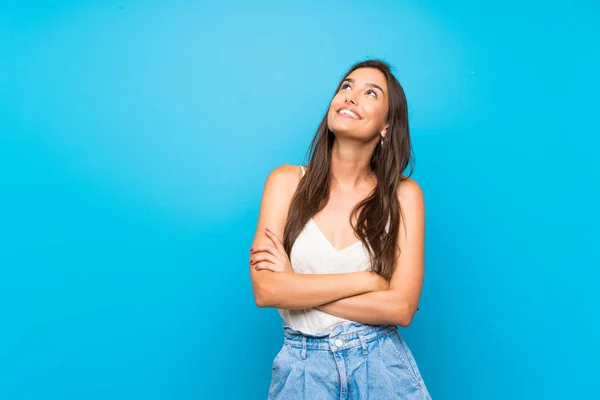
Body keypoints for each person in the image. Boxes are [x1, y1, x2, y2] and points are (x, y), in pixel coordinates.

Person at [249, 59, 432, 399]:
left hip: (380, 365)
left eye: (370, 93)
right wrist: (368, 283)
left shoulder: (404, 195)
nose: (350, 96)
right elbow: (266, 291)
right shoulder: (286, 182)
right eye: (346, 87)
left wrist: (296, 287)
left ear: (387, 126)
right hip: (303, 371)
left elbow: (401, 309)